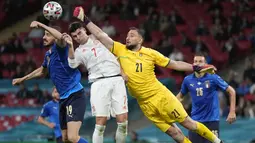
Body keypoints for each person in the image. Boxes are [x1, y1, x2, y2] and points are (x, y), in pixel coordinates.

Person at [73, 6, 223, 143]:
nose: (127, 37)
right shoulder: (120, 49)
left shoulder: (150, 53)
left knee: (189, 124)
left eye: (132, 35)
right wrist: (85, 20)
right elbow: (99, 34)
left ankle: (217, 141)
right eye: (127, 35)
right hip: (145, 105)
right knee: (174, 134)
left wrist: (194, 67)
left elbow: (174, 64)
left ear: (140, 39)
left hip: (161, 97)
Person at [12, 21, 88, 143]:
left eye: (47, 34)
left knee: (73, 137)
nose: (43, 37)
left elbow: (60, 37)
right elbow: (42, 71)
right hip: (63, 98)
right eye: (44, 34)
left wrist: (41, 25)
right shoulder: (49, 54)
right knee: (65, 139)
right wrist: (22, 79)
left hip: (74, 95)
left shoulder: (61, 48)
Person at [61, 22, 128, 143]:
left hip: (116, 79)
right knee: (100, 123)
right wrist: (70, 46)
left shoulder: (100, 37)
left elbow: (117, 53)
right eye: (75, 36)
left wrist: (123, 71)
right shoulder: (79, 51)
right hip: (98, 83)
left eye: (79, 33)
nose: (78, 37)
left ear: (84, 30)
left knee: (123, 122)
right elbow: (72, 64)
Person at [176, 53, 236, 143]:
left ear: (205, 64)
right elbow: (180, 96)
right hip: (195, 121)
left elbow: (232, 91)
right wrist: (169, 106)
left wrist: (232, 112)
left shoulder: (213, 77)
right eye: (195, 61)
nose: (197, 63)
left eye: (200, 61)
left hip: (212, 121)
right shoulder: (187, 80)